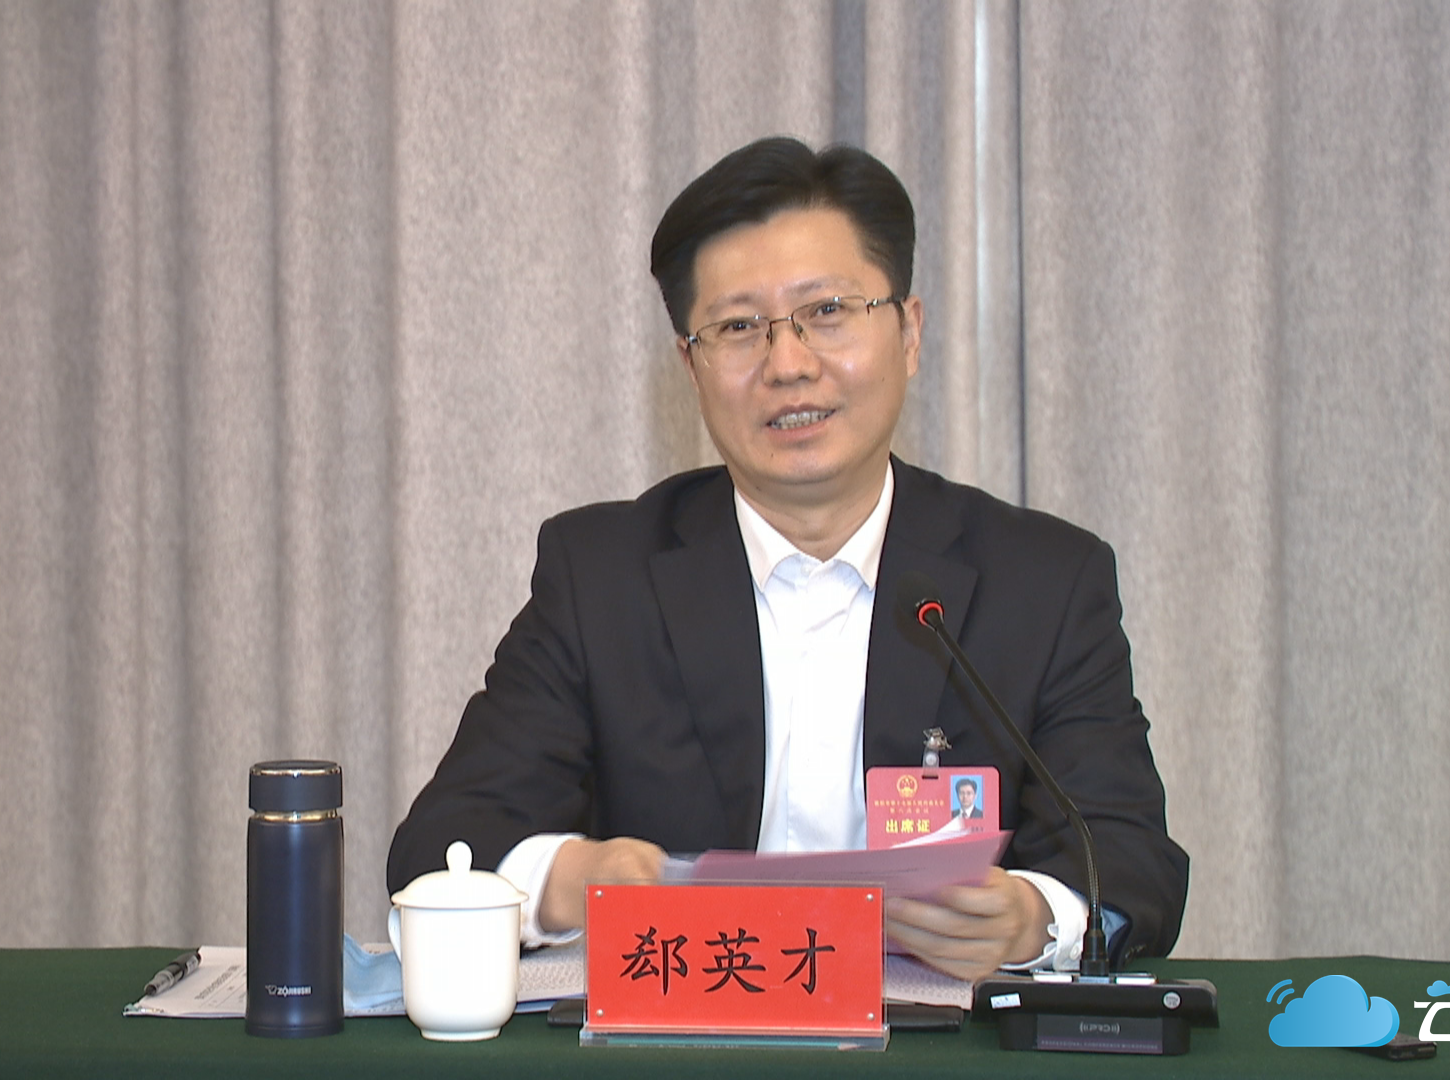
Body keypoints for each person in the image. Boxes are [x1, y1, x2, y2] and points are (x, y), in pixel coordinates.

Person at [388, 137, 1188, 979]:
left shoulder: (1044, 582)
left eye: (828, 311)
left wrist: (1034, 919)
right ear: (690, 367)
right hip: (681, 1031)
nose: (789, 364)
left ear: (909, 333)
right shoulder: (601, 577)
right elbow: (441, 847)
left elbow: (1130, 858)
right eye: (738, 328)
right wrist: (566, 880)